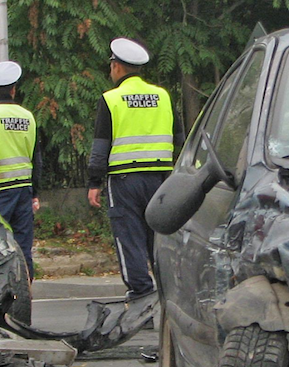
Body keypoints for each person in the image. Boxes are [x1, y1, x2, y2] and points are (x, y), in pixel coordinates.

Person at [87, 38, 185, 301]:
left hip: (124, 180)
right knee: (160, 238)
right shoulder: (163, 96)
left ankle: (141, 294)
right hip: (162, 179)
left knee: (129, 237)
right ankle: (168, 294)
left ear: (117, 67)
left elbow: (100, 146)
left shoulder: (111, 99)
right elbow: (181, 138)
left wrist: (94, 182)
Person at [0, 60, 42, 281]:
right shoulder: (28, 116)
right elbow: (36, 158)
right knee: (23, 246)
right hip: (24, 190)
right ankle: (25, 288)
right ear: (14, 89)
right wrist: (36, 193)